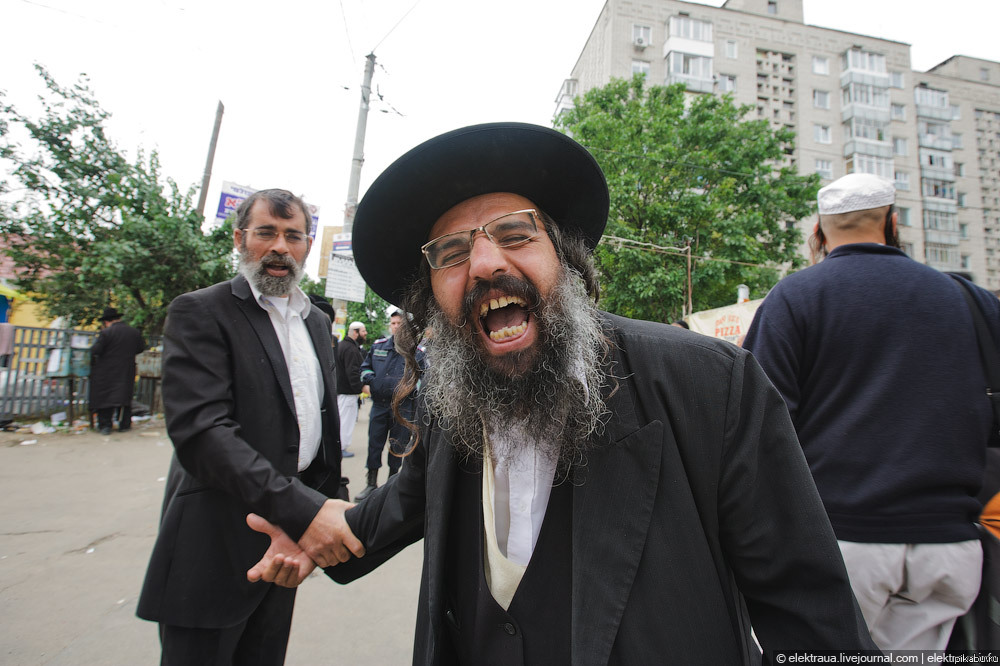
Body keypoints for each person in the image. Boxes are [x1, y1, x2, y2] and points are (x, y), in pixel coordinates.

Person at [247, 123, 876, 663]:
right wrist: (312, 533)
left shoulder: (710, 383)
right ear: (430, 297)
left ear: (565, 259)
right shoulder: (453, 400)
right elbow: (405, 503)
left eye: (515, 235)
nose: (486, 264)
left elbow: (811, 612)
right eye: (452, 253)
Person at [743, 172, 1000, 650]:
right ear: (893, 223)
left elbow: (757, 425)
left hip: (837, 544)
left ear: (818, 233)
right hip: (950, 547)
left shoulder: (796, 298)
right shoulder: (973, 301)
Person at [136, 189, 362, 666]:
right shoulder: (201, 311)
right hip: (213, 547)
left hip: (287, 548)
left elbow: (318, 428)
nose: (280, 247)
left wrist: (323, 510)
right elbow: (203, 435)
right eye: (266, 233)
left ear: (307, 246)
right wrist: (304, 512)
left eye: (293, 236)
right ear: (240, 239)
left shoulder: (314, 322)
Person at [354, 310, 425, 500]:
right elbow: (365, 368)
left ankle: (391, 488)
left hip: (403, 409)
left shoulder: (416, 352)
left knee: (398, 447)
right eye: (393, 323)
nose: (395, 327)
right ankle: (371, 484)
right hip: (380, 405)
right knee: (374, 444)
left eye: (399, 323)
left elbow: (423, 378)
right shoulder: (378, 346)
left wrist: (411, 388)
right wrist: (372, 382)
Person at [88, 306, 145, 435]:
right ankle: (124, 424)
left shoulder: (106, 333)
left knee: (105, 398)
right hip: (127, 369)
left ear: (106, 321)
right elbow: (140, 348)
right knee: (124, 397)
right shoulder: (134, 332)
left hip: (106, 371)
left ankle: (105, 426)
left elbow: (96, 350)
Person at [336, 321, 367, 459]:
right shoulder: (351, 349)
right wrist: (361, 387)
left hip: (343, 391)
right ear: (355, 332)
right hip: (347, 393)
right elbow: (353, 372)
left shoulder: (343, 345)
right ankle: (341, 447)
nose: (365, 333)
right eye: (363, 331)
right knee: (346, 422)